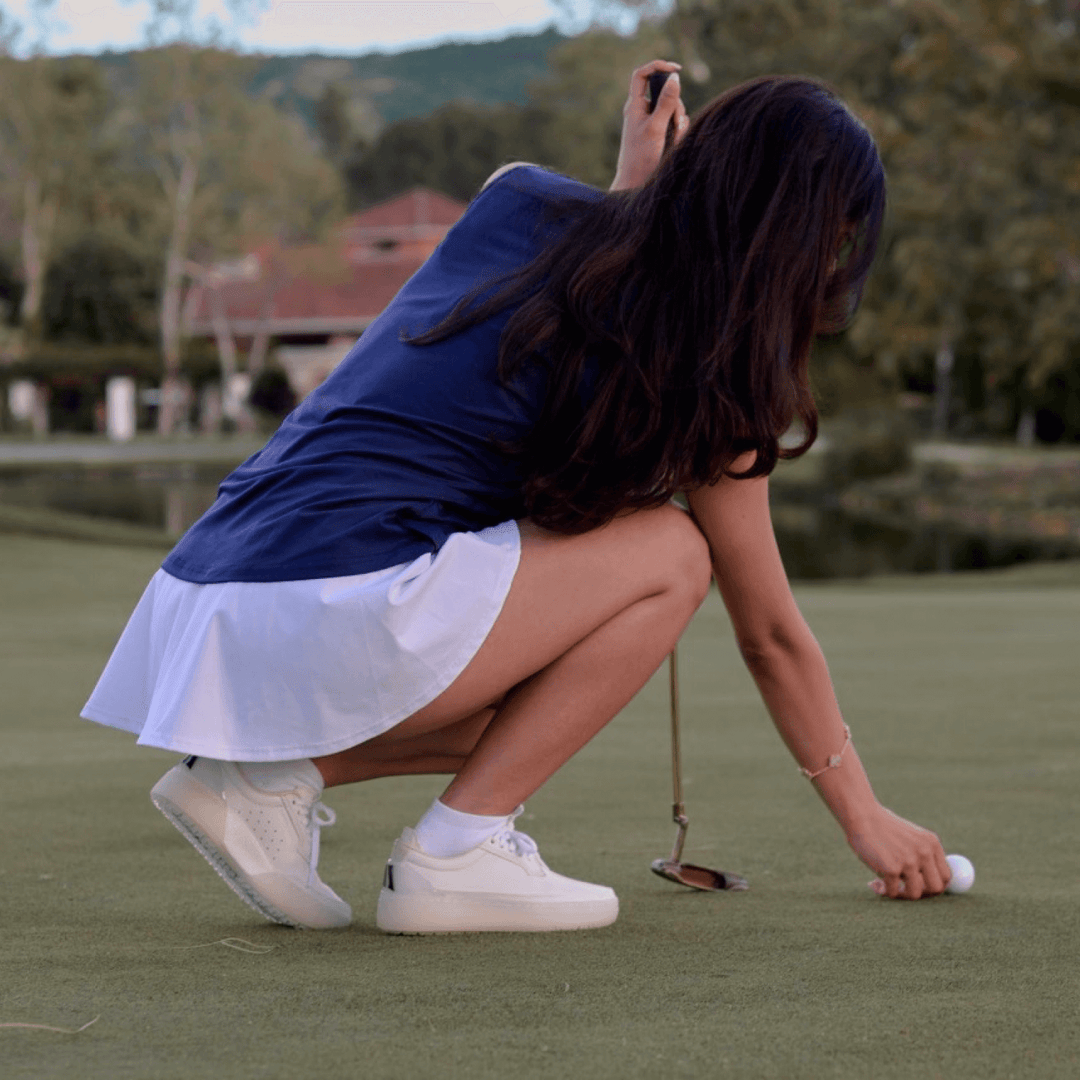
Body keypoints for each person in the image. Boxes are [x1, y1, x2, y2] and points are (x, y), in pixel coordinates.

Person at [82, 60, 951, 933]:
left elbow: (574, 290)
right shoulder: (710, 369)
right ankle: (455, 852)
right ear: (790, 244)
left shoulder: (515, 194)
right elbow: (767, 633)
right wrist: (865, 818)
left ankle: (267, 779)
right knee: (674, 553)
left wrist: (631, 192)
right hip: (328, 596)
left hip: (210, 589)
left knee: (544, 686)